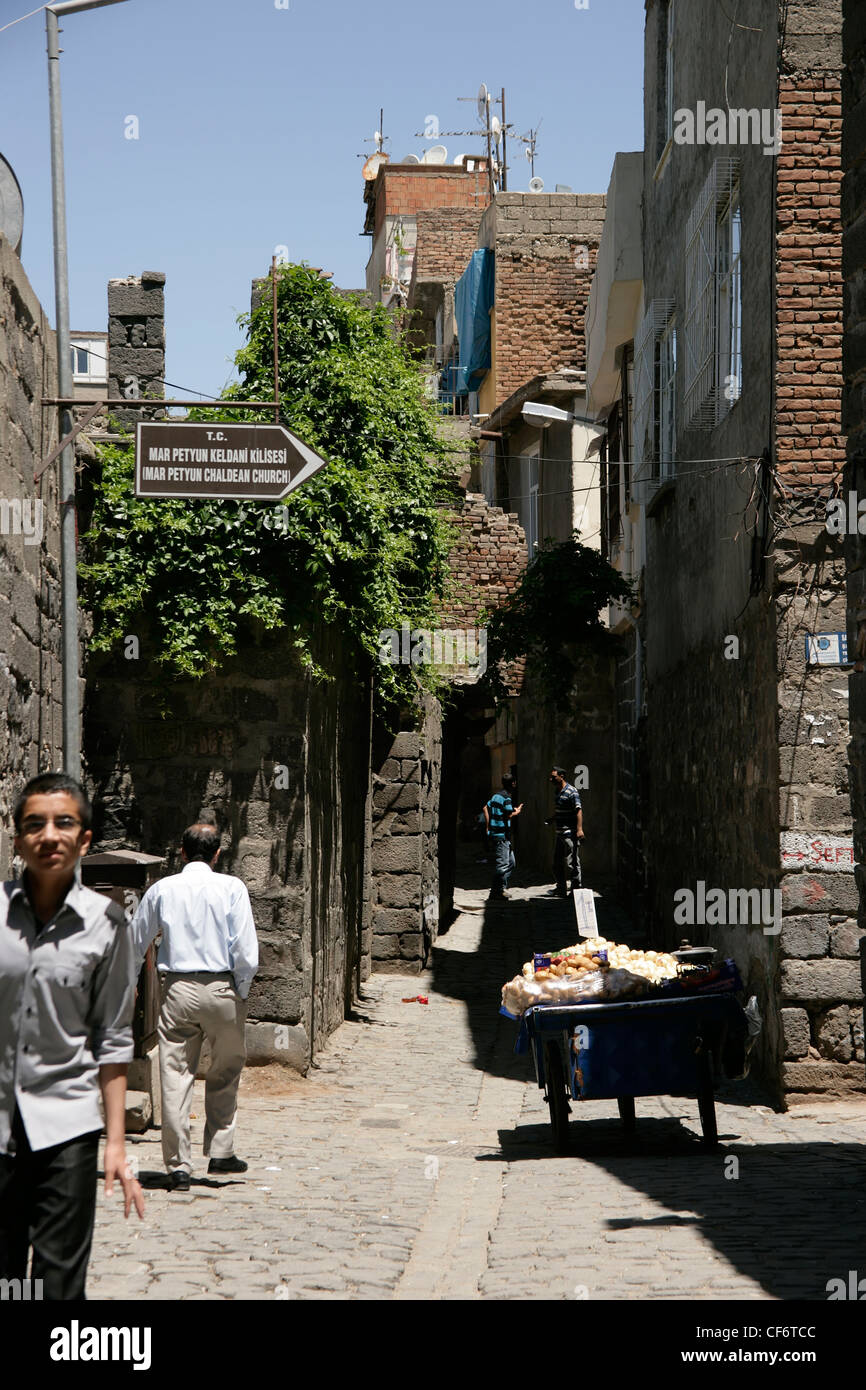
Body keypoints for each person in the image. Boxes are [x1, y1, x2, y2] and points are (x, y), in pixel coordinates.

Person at [0, 773, 144, 1300]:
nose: (49, 835)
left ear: (84, 839)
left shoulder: (106, 924)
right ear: (18, 840)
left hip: (67, 1124)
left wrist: (116, 1143)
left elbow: (112, 1036)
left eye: (64, 823)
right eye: (34, 824)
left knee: (58, 1284)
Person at [131, 823, 258, 1191]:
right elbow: (246, 952)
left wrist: (129, 984)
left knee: (175, 1074)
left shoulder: (162, 889)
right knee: (226, 1068)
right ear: (218, 854)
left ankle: (179, 1167)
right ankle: (220, 1152)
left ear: (181, 852)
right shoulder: (232, 888)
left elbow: (136, 942)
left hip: (178, 990)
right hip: (222, 987)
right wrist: (241, 990)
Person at [545, 766, 584, 898]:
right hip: (560, 834)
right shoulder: (558, 791)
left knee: (572, 863)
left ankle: (576, 890)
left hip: (570, 834)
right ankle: (561, 888)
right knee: (556, 864)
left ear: (562, 776)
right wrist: (552, 819)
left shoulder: (572, 791)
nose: (551, 779)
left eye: (553, 777)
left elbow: (578, 810)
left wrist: (579, 829)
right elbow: (561, 810)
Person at [483, 772, 523, 901]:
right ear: (513, 783)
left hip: (497, 834)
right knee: (503, 865)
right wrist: (517, 811)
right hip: (502, 836)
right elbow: (508, 815)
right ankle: (496, 891)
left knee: (511, 863)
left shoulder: (495, 796)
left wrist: (488, 826)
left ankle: (501, 888)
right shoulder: (506, 798)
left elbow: (485, 808)